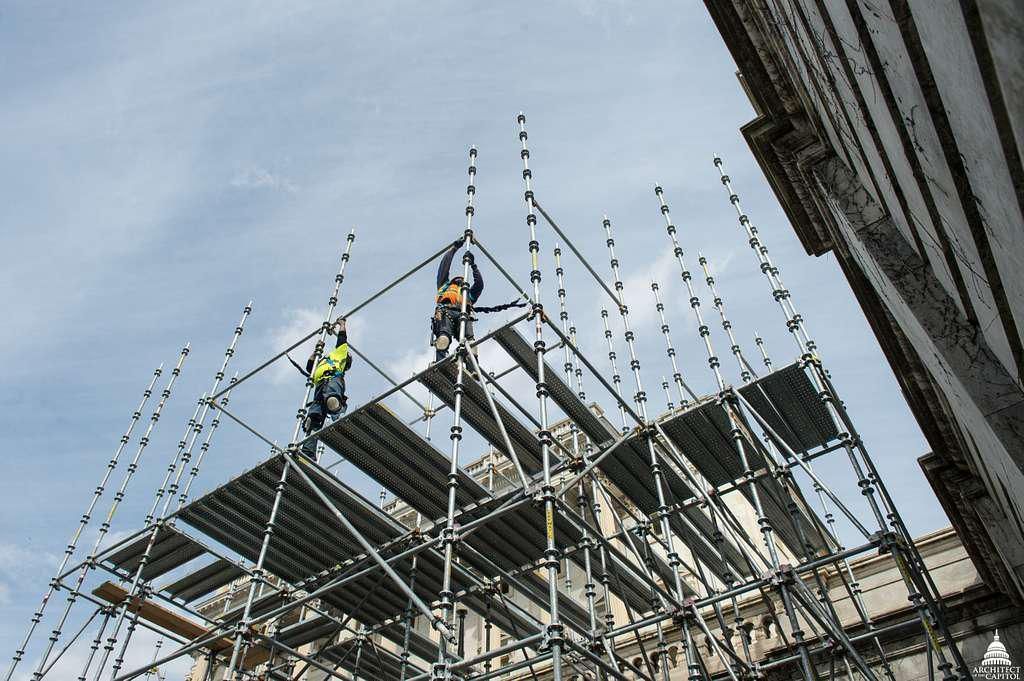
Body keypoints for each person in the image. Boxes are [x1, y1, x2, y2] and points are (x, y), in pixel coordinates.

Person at [300, 316, 352, 457]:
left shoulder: (339, 355)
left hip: (333, 380)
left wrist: (342, 324)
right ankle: (308, 452)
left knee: (332, 400)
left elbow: (342, 339)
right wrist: (316, 351)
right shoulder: (322, 361)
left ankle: (338, 412)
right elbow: (310, 367)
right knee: (313, 420)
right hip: (319, 388)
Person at [432, 238, 484, 361]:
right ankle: (441, 363)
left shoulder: (467, 294)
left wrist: (473, 266)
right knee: (443, 339)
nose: (460, 281)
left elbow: (479, 284)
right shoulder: (445, 285)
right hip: (446, 312)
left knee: (471, 344)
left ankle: (472, 370)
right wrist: (454, 248)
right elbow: (444, 266)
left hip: (464, 314)